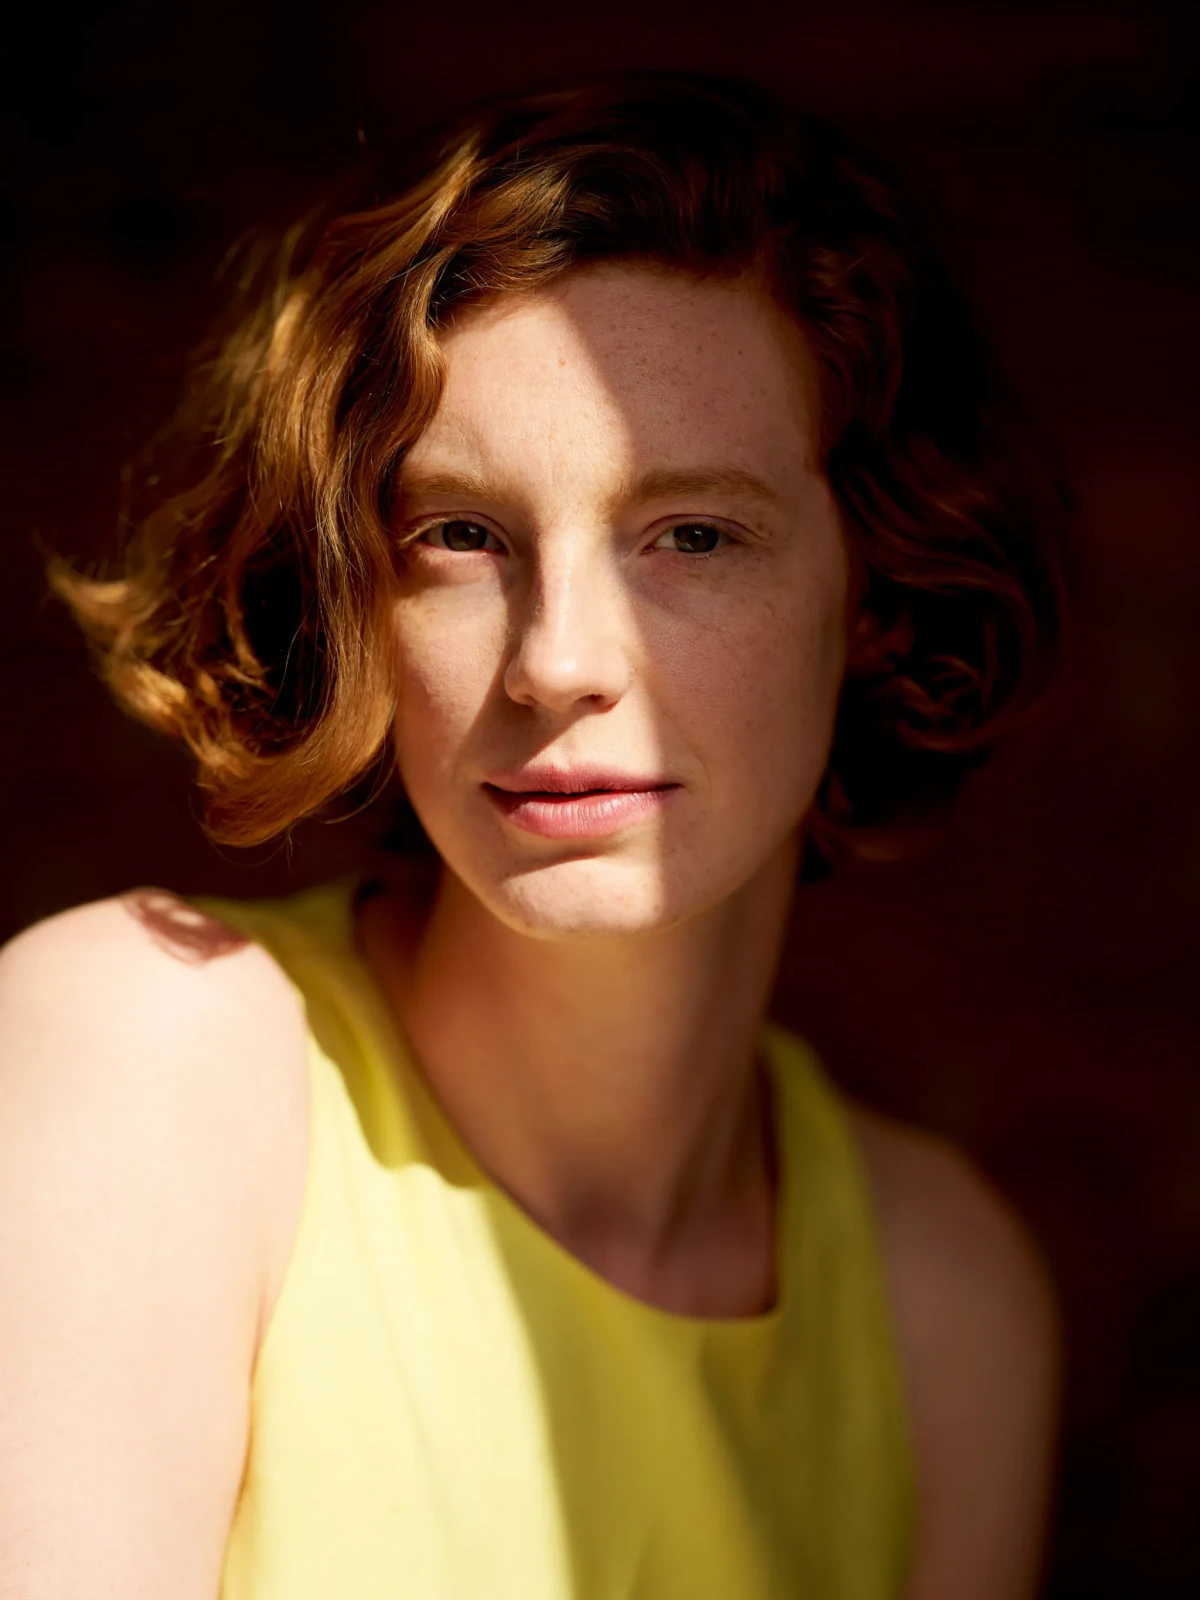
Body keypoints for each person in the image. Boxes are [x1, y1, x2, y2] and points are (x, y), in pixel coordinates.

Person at [1, 72, 1065, 1599]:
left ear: (876, 596)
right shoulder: (146, 1066)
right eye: (462, 537)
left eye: (691, 536)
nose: (560, 658)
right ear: (358, 589)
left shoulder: (943, 1306)